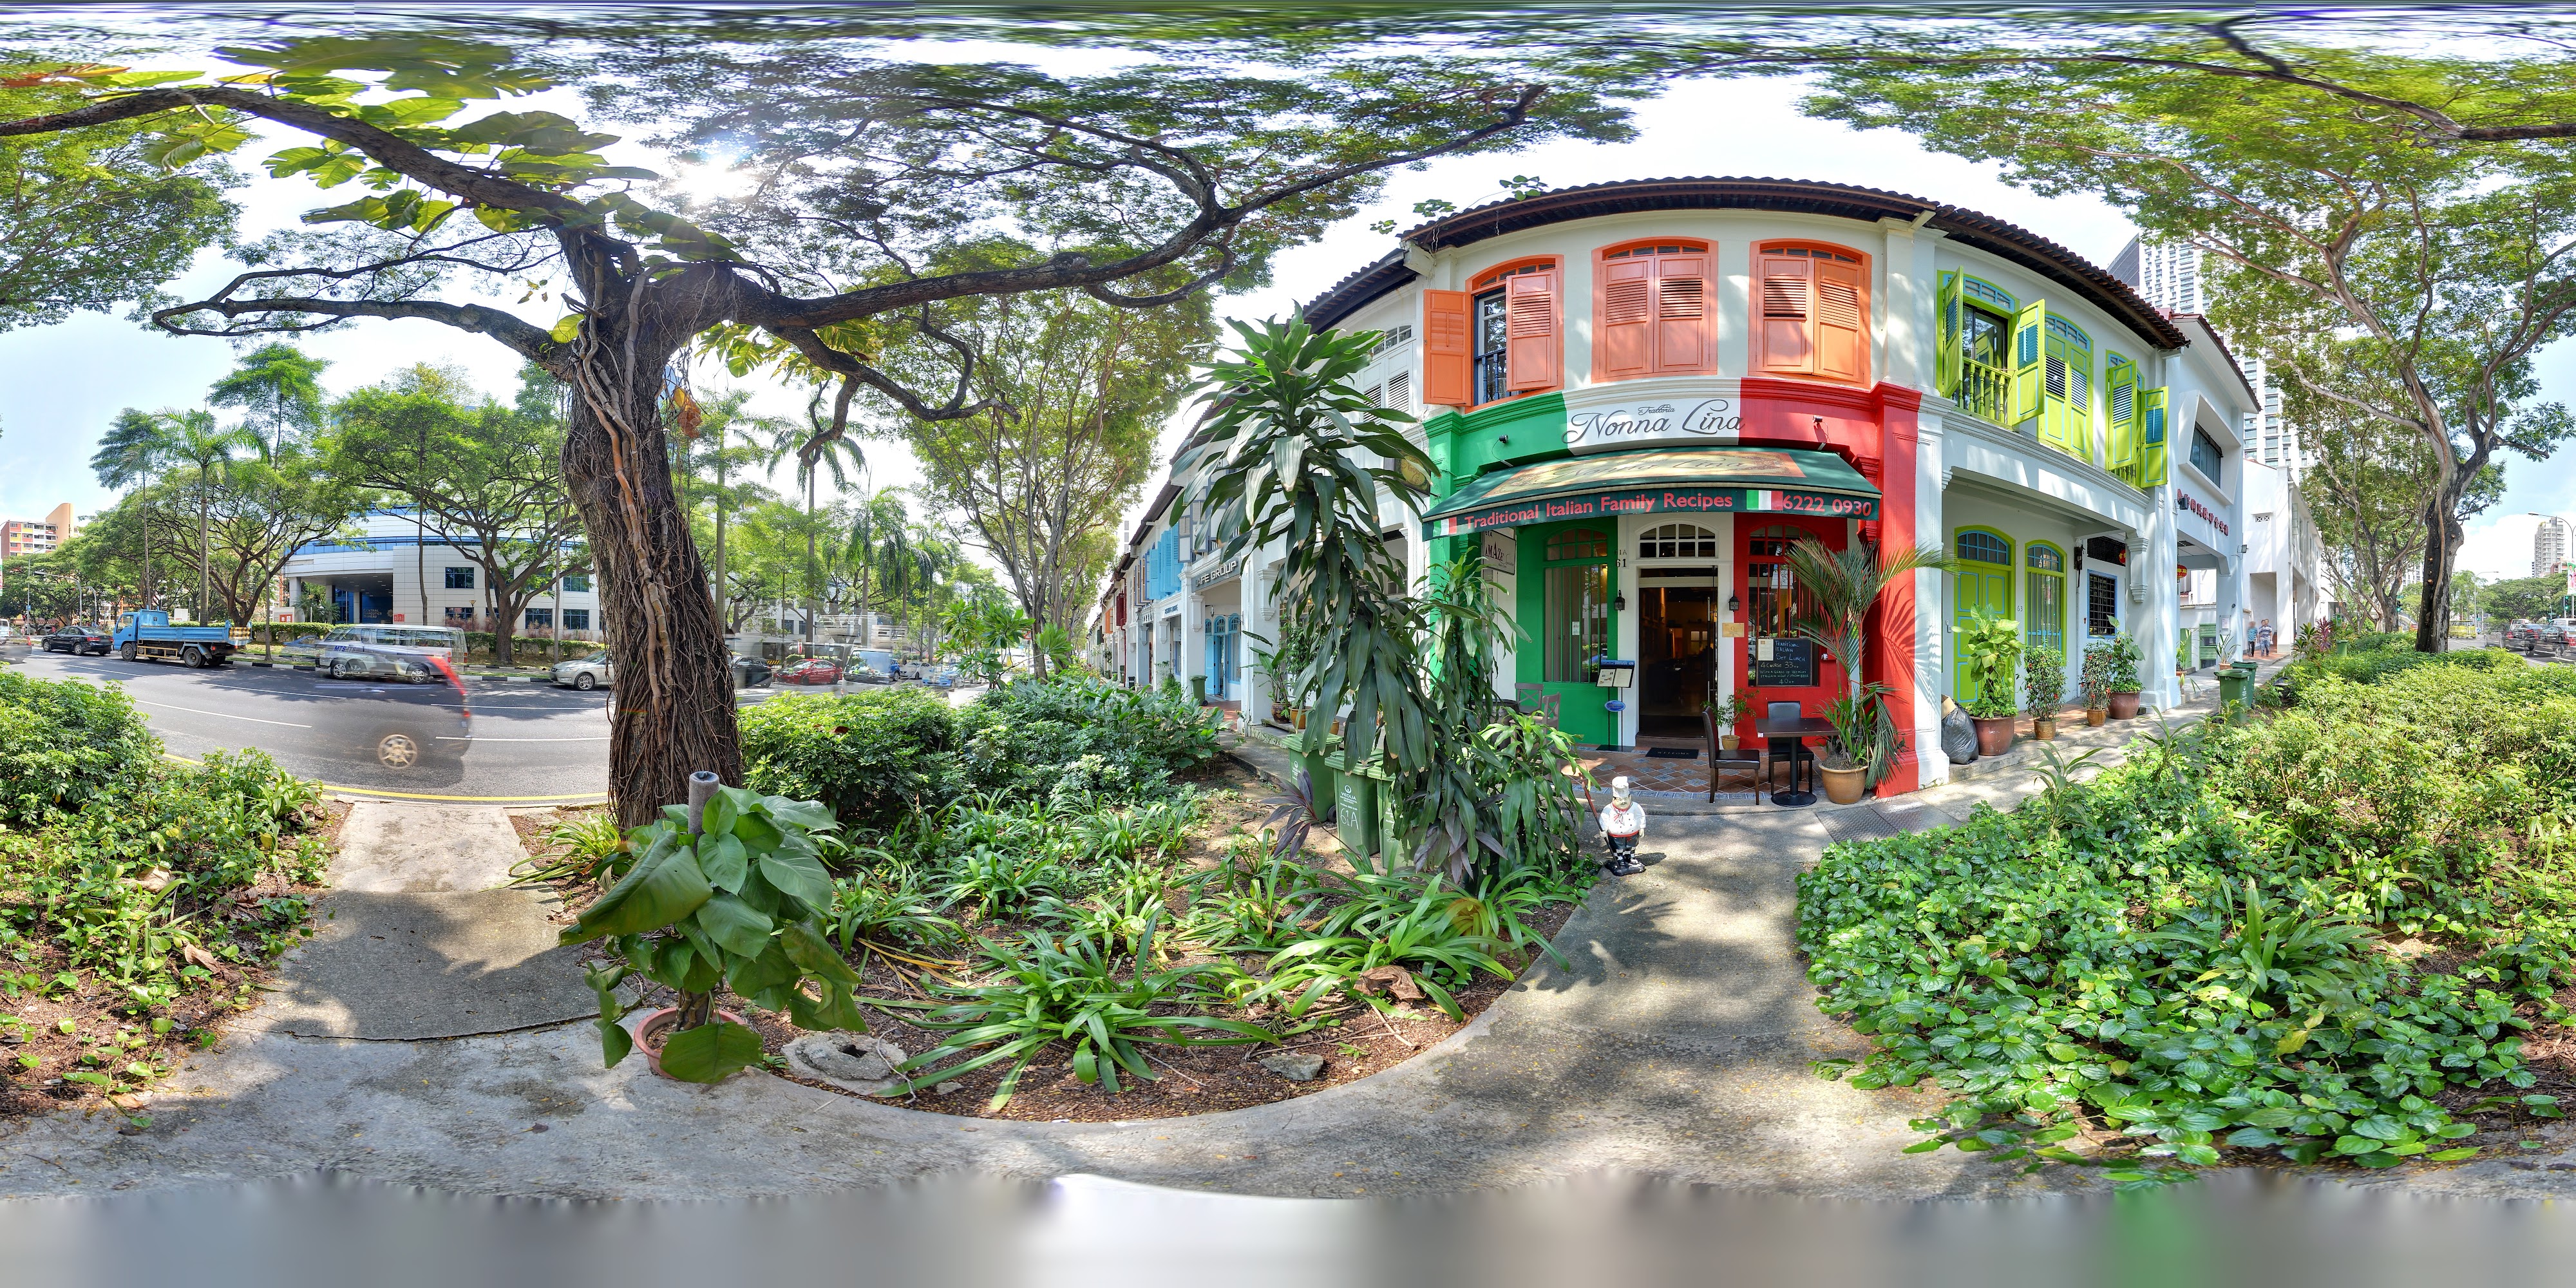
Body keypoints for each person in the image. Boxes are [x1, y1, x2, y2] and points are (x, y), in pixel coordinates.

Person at [1598, 775, 1647, 877]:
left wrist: (1642, 827)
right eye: (1620, 799)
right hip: (1616, 835)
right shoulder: (1609, 809)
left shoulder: (1635, 806)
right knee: (1618, 848)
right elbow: (1604, 819)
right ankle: (1620, 860)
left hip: (1633, 833)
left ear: (1630, 798)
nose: (1623, 802)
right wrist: (1603, 830)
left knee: (1631, 846)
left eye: (1625, 799)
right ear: (1614, 799)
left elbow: (1641, 816)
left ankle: (1631, 857)